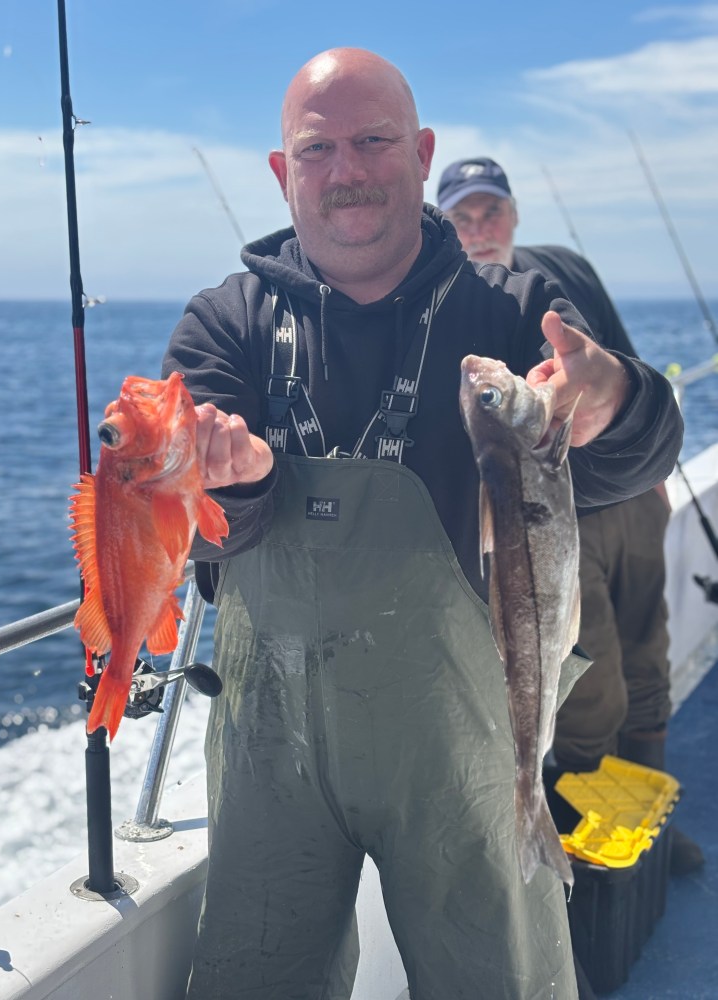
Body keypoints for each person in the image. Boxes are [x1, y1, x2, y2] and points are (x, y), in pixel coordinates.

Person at [162, 49, 683, 1000]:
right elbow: (200, 539)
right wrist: (227, 491)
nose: (348, 168)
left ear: (421, 151)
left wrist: (617, 396)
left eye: (375, 140)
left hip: (474, 749)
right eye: (318, 148)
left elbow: (637, 457)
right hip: (270, 752)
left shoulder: (516, 312)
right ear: (283, 172)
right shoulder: (222, 326)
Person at [437, 156, 704, 877]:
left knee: (650, 650)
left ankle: (647, 824)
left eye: (489, 211)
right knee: (593, 683)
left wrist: (651, 469)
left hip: (630, 502)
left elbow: (628, 368)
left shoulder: (564, 271)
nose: (478, 228)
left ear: (515, 213)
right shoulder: (449, 305)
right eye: (459, 217)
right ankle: (579, 852)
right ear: (441, 226)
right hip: (547, 525)